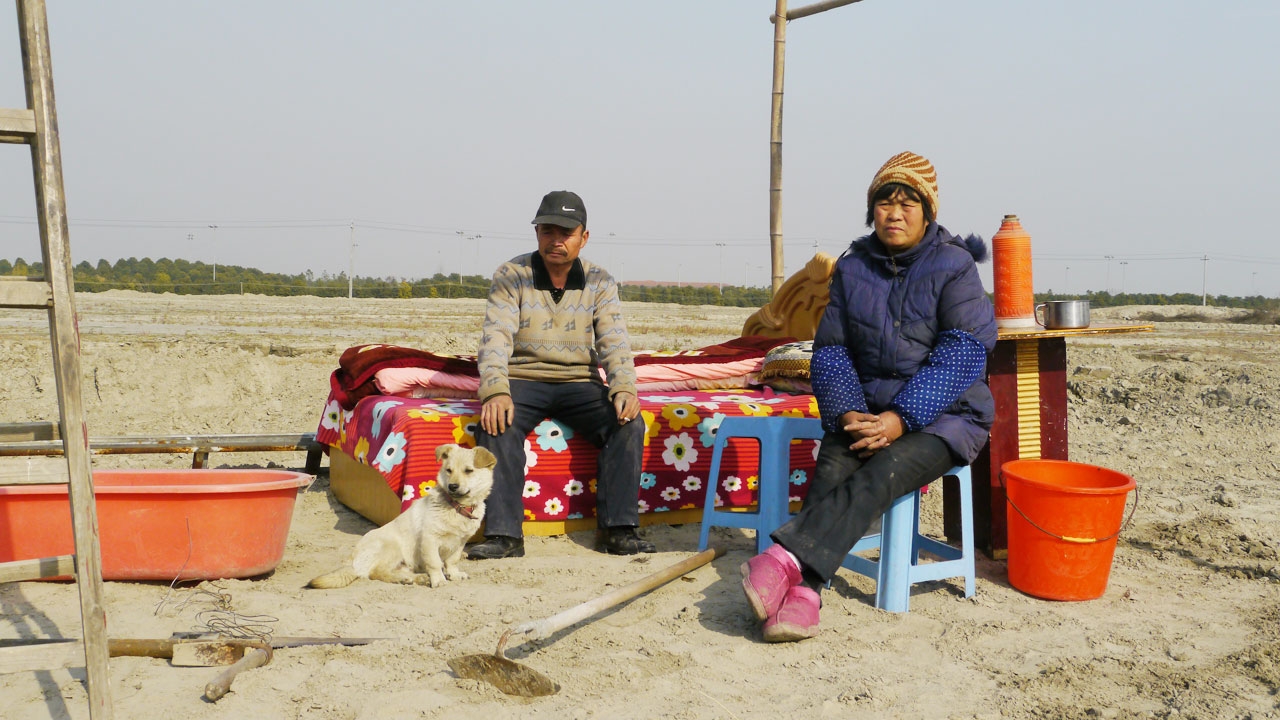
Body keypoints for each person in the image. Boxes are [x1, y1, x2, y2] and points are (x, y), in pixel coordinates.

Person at [740, 151, 997, 641]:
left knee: (886, 468)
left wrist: (901, 419)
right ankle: (807, 593)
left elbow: (963, 353)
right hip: (870, 408)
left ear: (928, 211)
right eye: (885, 202)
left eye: (907, 203)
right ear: (871, 210)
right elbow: (833, 350)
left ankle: (784, 558)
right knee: (836, 460)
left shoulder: (955, 266)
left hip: (947, 415)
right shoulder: (854, 267)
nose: (894, 214)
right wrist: (849, 411)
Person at [467, 190, 655, 559]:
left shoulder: (600, 281)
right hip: (524, 378)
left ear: (583, 238)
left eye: (566, 232)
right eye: (547, 230)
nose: (556, 240)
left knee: (628, 423)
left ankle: (618, 530)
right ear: (536, 233)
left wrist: (624, 388)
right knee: (495, 423)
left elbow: (614, 342)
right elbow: (496, 337)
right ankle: (505, 536)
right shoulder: (512, 275)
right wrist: (494, 391)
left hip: (578, 383)